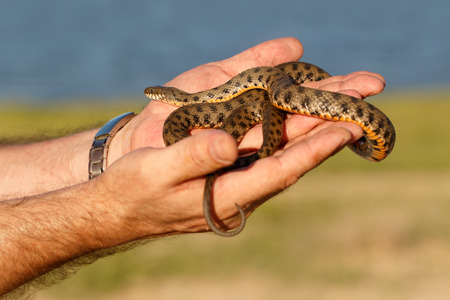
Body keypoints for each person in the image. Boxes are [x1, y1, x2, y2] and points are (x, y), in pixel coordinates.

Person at [0, 37, 385, 296]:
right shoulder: (194, 109)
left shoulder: (219, 97)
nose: (151, 97)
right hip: (246, 101)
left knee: (284, 103)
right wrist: (110, 205)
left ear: (169, 98)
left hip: (270, 93)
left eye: (155, 95)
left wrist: (116, 149)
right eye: (153, 96)